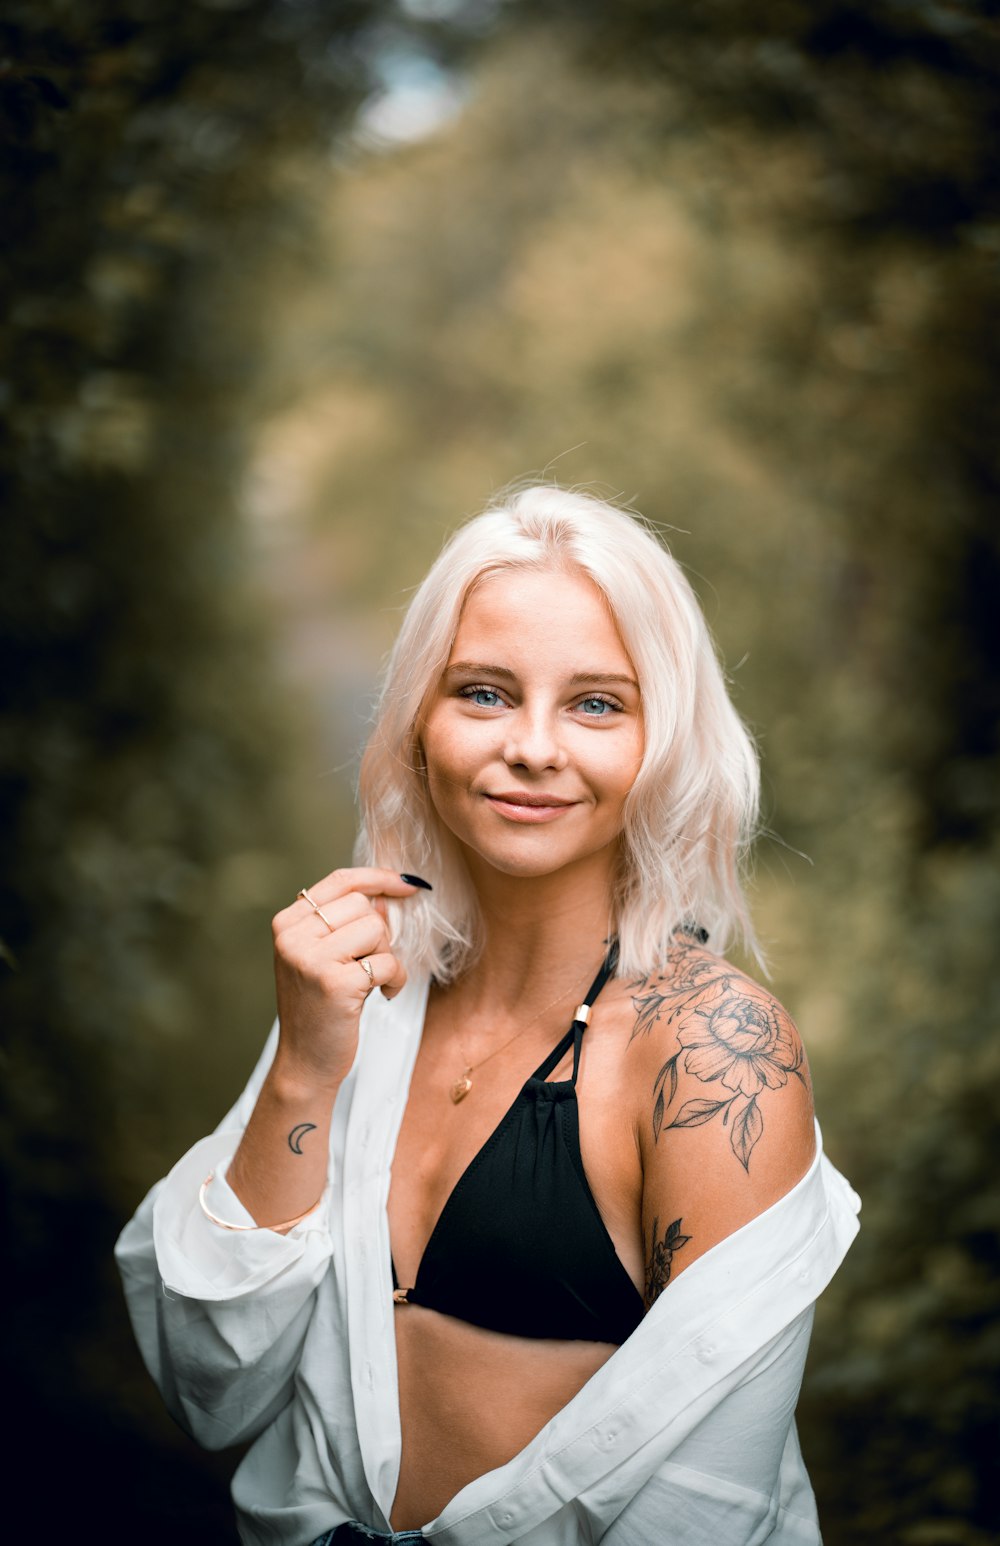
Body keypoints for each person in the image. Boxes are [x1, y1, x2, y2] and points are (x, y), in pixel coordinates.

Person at [116, 484, 860, 1546]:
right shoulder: (368, 993)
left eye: (597, 703)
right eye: (485, 692)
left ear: (663, 743)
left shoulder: (707, 1052)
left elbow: (707, 1510)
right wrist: (303, 1064)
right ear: (421, 719)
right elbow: (213, 1385)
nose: (535, 746)